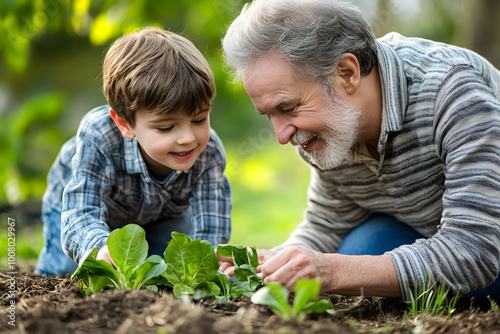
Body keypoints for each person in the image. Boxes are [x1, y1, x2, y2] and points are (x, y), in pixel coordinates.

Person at [219, 0, 500, 302]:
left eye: (286, 108)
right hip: (433, 238)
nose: (281, 135)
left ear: (347, 73)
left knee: (357, 257)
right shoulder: (331, 130)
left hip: (488, 248)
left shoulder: (453, 93)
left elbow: (475, 250)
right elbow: (330, 223)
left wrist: (333, 272)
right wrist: (271, 264)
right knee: (363, 244)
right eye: (269, 116)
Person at [36, 27, 232, 276]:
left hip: (161, 214)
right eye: (167, 127)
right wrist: (99, 248)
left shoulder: (209, 151)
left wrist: (208, 264)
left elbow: (210, 230)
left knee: (168, 271)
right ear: (125, 124)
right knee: (68, 272)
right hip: (83, 208)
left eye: (199, 119)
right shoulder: (99, 135)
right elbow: (80, 214)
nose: (188, 138)